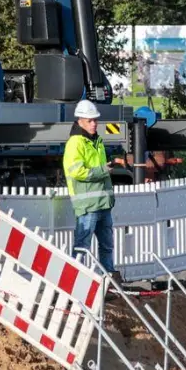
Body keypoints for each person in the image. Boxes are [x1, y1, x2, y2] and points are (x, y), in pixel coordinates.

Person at [63, 99, 127, 276]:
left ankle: (109, 281)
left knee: (106, 246)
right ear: (80, 121)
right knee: (82, 247)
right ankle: (73, 281)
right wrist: (103, 170)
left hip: (102, 204)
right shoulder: (76, 143)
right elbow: (78, 172)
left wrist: (104, 169)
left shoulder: (95, 141)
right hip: (88, 206)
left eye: (95, 120)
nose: (94, 124)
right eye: (90, 121)